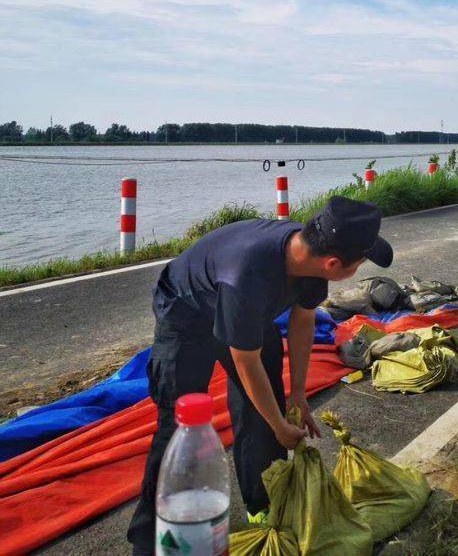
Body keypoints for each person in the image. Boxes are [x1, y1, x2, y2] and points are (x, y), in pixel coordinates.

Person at [127, 197, 393, 555]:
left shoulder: (310, 261)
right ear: (334, 264)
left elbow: (302, 320)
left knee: (265, 411)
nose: (359, 268)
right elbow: (246, 362)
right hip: (187, 313)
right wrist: (282, 427)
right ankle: (148, 540)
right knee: (177, 427)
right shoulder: (248, 279)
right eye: (360, 263)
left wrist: (297, 394)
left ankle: (263, 505)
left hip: (244, 313)